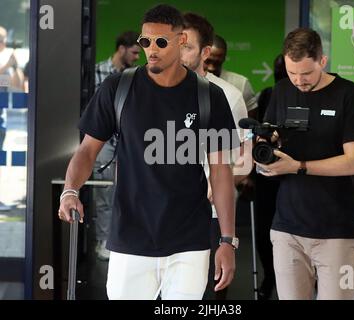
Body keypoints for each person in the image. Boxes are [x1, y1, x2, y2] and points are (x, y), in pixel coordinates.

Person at [58, 4, 238, 300]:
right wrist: (70, 190)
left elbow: (221, 171)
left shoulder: (209, 97)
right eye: (145, 42)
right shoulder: (118, 87)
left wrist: (228, 240)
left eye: (161, 42)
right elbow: (88, 150)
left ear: (181, 41)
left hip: (189, 240)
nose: (151, 49)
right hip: (130, 236)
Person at [256, 27, 354, 300]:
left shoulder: (348, 94)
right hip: (288, 228)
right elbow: (269, 135)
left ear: (323, 60)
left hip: (337, 231)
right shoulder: (282, 90)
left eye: (306, 73)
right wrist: (266, 149)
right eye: (292, 72)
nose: (299, 80)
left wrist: (298, 166)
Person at [181, 12, 251, 300]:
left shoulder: (228, 95)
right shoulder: (151, 90)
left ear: (204, 51)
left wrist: (217, 186)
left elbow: (245, 159)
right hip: (162, 214)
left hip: (210, 215)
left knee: (209, 295)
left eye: (186, 46)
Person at [93, 31, 141, 261]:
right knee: (104, 191)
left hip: (128, 141)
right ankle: (103, 240)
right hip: (103, 140)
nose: (136, 57)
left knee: (126, 191)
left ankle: (120, 238)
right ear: (121, 48)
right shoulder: (97, 71)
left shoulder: (135, 76)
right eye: (133, 52)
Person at [252, 54, 287, 300]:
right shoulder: (267, 95)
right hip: (266, 176)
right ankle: (270, 277)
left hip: (296, 175)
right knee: (264, 232)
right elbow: (256, 132)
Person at [205, 34, 258, 116]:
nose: (211, 68)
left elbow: (250, 123)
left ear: (224, 58)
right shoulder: (190, 81)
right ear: (201, 55)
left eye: (217, 62)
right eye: (208, 61)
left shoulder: (241, 84)